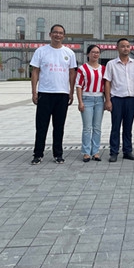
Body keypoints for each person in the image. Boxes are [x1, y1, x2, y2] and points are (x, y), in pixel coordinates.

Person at [30, 24, 77, 165]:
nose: (58, 35)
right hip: (45, 93)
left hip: (62, 94)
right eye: (55, 32)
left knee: (59, 126)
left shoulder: (69, 53)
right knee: (41, 126)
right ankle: (38, 154)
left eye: (60, 33)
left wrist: (71, 92)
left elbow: (72, 73)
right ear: (50, 34)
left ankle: (58, 154)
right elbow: (35, 71)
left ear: (64, 36)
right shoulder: (41, 51)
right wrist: (34, 91)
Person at [104, 38, 134, 162]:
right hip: (117, 99)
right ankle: (113, 152)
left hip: (131, 99)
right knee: (115, 127)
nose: (126, 48)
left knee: (128, 127)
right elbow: (107, 82)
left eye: (128, 46)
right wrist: (108, 100)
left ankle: (127, 151)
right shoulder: (111, 64)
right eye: (123, 46)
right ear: (117, 48)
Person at [76, 45, 105, 162]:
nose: (95, 54)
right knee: (87, 128)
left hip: (99, 100)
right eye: (93, 52)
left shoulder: (103, 69)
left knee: (97, 128)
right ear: (88, 54)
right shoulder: (82, 68)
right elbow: (78, 86)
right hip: (87, 99)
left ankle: (96, 151)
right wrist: (80, 102)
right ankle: (86, 152)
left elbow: (106, 85)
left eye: (97, 52)